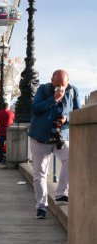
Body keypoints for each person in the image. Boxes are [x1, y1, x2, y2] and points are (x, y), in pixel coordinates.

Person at [28, 69, 80, 219]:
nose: (60, 88)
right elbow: (35, 108)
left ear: (68, 82)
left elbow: (77, 113)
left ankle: (61, 193)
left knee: (71, 158)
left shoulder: (73, 91)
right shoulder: (43, 89)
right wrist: (54, 99)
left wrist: (66, 120)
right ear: (52, 81)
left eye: (63, 85)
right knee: (40, 174)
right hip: (40, 138)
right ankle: (41, 206)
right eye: (57, 85)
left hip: (60, 137)